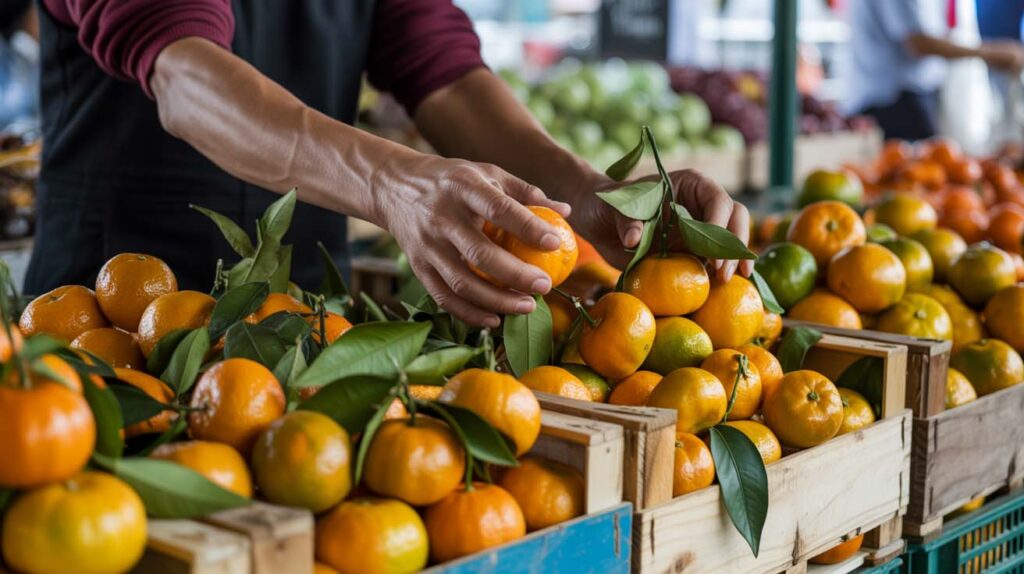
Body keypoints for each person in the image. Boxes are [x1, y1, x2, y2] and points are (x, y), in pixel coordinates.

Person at [31, 0, 750, 328]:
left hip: (299, 317)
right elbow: (185, 79)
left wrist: (591, 196)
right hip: (112, 313)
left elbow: (445, 73)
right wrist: (387, 180)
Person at [843, 0, 1024, 141]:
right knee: (910, 176)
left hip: (912, 97)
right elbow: (919, 43)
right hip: (893, 102)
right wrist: (988, 53)